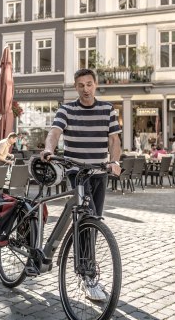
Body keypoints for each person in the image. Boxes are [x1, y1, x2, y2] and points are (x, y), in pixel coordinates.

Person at [40, 68, 121, 300]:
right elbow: (54, 132)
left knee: (93, 222)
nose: (86, 89)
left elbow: (114, 140)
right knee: (85, 219)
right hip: (77, 172)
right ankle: (87, 276)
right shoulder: (67, 109)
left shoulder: (107, 109)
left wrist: (114, 160)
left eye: (89, 84)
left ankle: (84, 266)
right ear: (75, 87)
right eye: (81, 85)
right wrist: (49, 149)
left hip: (99, 172)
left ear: (96, 85)